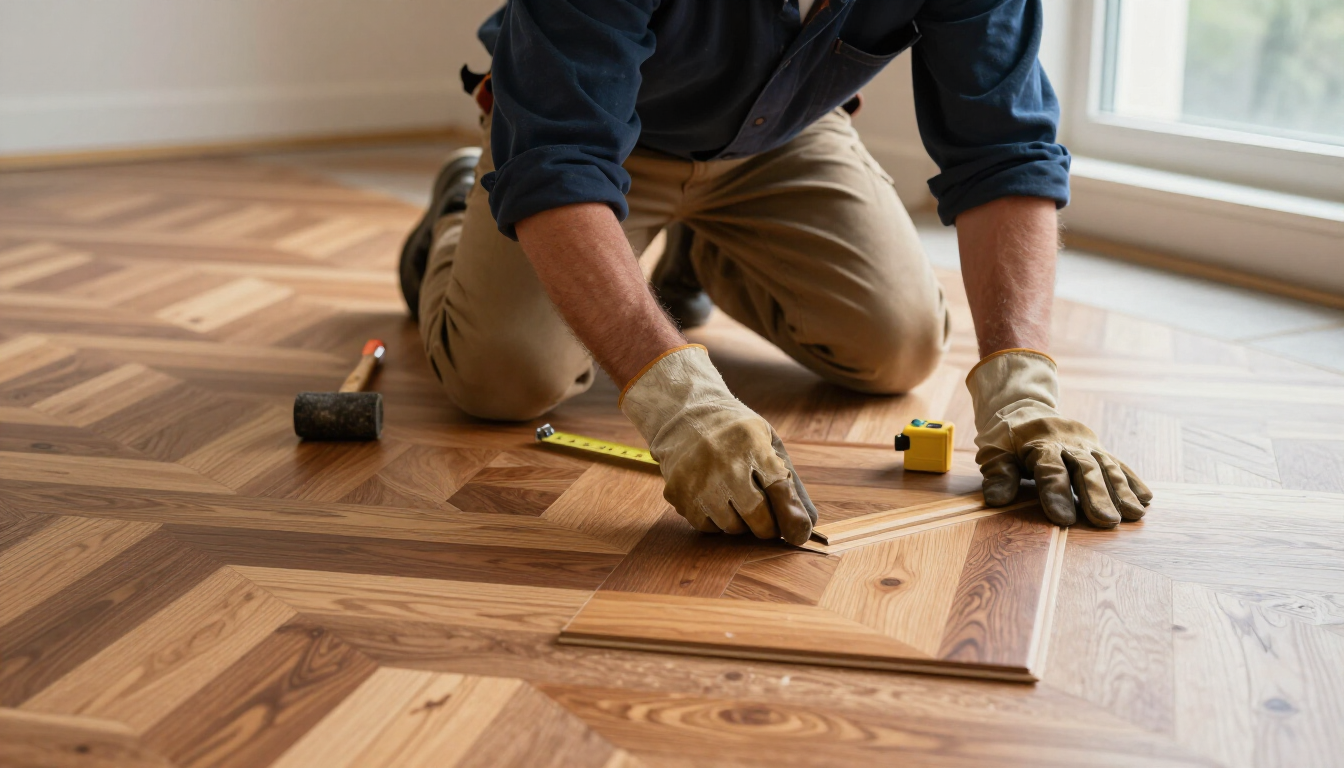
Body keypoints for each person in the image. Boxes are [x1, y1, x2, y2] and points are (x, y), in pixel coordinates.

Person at [398, 0, 1153, 546]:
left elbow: (1006, 147)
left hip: (777, 136)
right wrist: (677, 400)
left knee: (900, 345)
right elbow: (558, 160)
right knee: (503, 379)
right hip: (585, 139)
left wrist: (1023, 385)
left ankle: (701, 249)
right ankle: (460, 216)